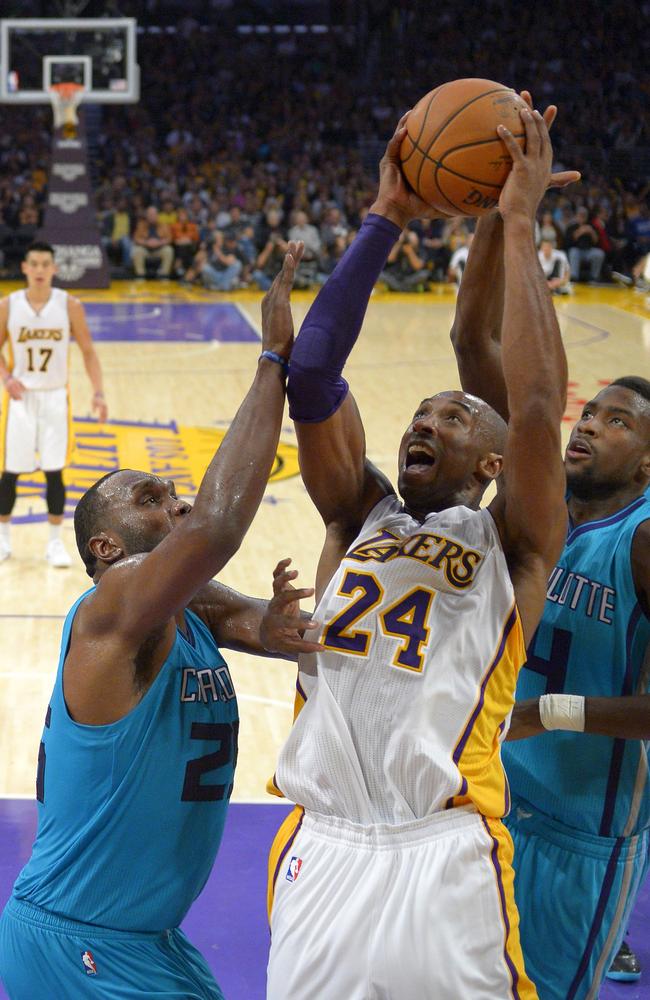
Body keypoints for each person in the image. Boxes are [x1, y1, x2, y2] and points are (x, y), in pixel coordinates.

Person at [265, 107, 573, 999]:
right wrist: (385, 220)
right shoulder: (353, 516)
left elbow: (541, 402)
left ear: (493, 458)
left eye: (454, 413)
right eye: (419, 414)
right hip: (321, 847)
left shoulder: (514, 540)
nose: (425, 421)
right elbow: (314, 375)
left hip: (442, 854)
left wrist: (516, 223)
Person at [0, 242, 321, 1000]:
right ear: (106, 548)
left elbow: (254, 618)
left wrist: (275, 628)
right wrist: (272, 358)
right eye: (151, 497)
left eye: (173, 492)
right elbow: (214, 526)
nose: (173, 502)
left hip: (143, 941)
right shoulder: (112, 605)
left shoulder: (181, 609)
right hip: (79, 945)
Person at [450, 204, 650, 997]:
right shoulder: (538, 502)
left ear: (647, 465)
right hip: (485, 807)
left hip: (580, 837)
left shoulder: (639, 539)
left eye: (619, 422)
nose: (590, 425)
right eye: (591, 411)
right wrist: (497, 219)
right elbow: (473, 343)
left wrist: (552, 711)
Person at [0, 240, 108, 567]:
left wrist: (99, 392)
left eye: (46, 264)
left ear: (55, 269)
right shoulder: (8, 305)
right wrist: (6, 379)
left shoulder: (69, 305)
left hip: (55, 397)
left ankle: (53, 543)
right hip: (20, 399)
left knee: (53, 471)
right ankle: (3, 540)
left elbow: (88, 352)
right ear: (24, 268)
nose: (40, 270)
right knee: (10, 471)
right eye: (34, 264)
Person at [564, 206, 605, 283]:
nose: (582, 216)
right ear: (576, 216)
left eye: (584, 215)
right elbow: (568, 242)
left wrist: (591, 232)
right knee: (573, 252)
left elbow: (597, 242)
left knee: (599, 253)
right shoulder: (571, 227)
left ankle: (594, 277)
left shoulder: (591, 226)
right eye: (580, 215)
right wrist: (579, 232)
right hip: (577, 251)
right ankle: (574, 277)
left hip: (589, 251)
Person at [131, 205, 174, 279]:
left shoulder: (163, 225)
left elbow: (169, 238)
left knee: (169, 250)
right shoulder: (141, 224)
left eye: (154, 214)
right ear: (147, 216)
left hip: (159, 249)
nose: (152, 216)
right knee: (136, 250)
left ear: (157, 215)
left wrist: (159, 243)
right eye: (150, 214)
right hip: (145, 249)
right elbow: (136, 238)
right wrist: (146, 243)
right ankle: (140, 274)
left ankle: (164, 274)